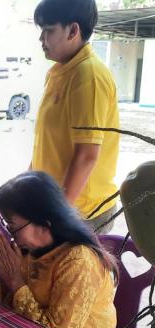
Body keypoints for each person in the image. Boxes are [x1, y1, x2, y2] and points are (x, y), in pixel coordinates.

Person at [0, 171, 117, 328]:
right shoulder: (28, 250)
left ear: (45, 222)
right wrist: (7, 280)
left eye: (13, 227)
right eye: (6, 226)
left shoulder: (78, 262)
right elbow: (3, 308)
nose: (10, 234)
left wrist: (15, 282)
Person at [30, 0, 119, 234]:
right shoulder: (59, 71)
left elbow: (87, 155)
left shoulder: (88, 75)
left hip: (82, 212)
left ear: (73, 31)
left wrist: (59, 218)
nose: (42, 39)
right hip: (56, 203)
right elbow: (45, 145)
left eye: (49, 30)